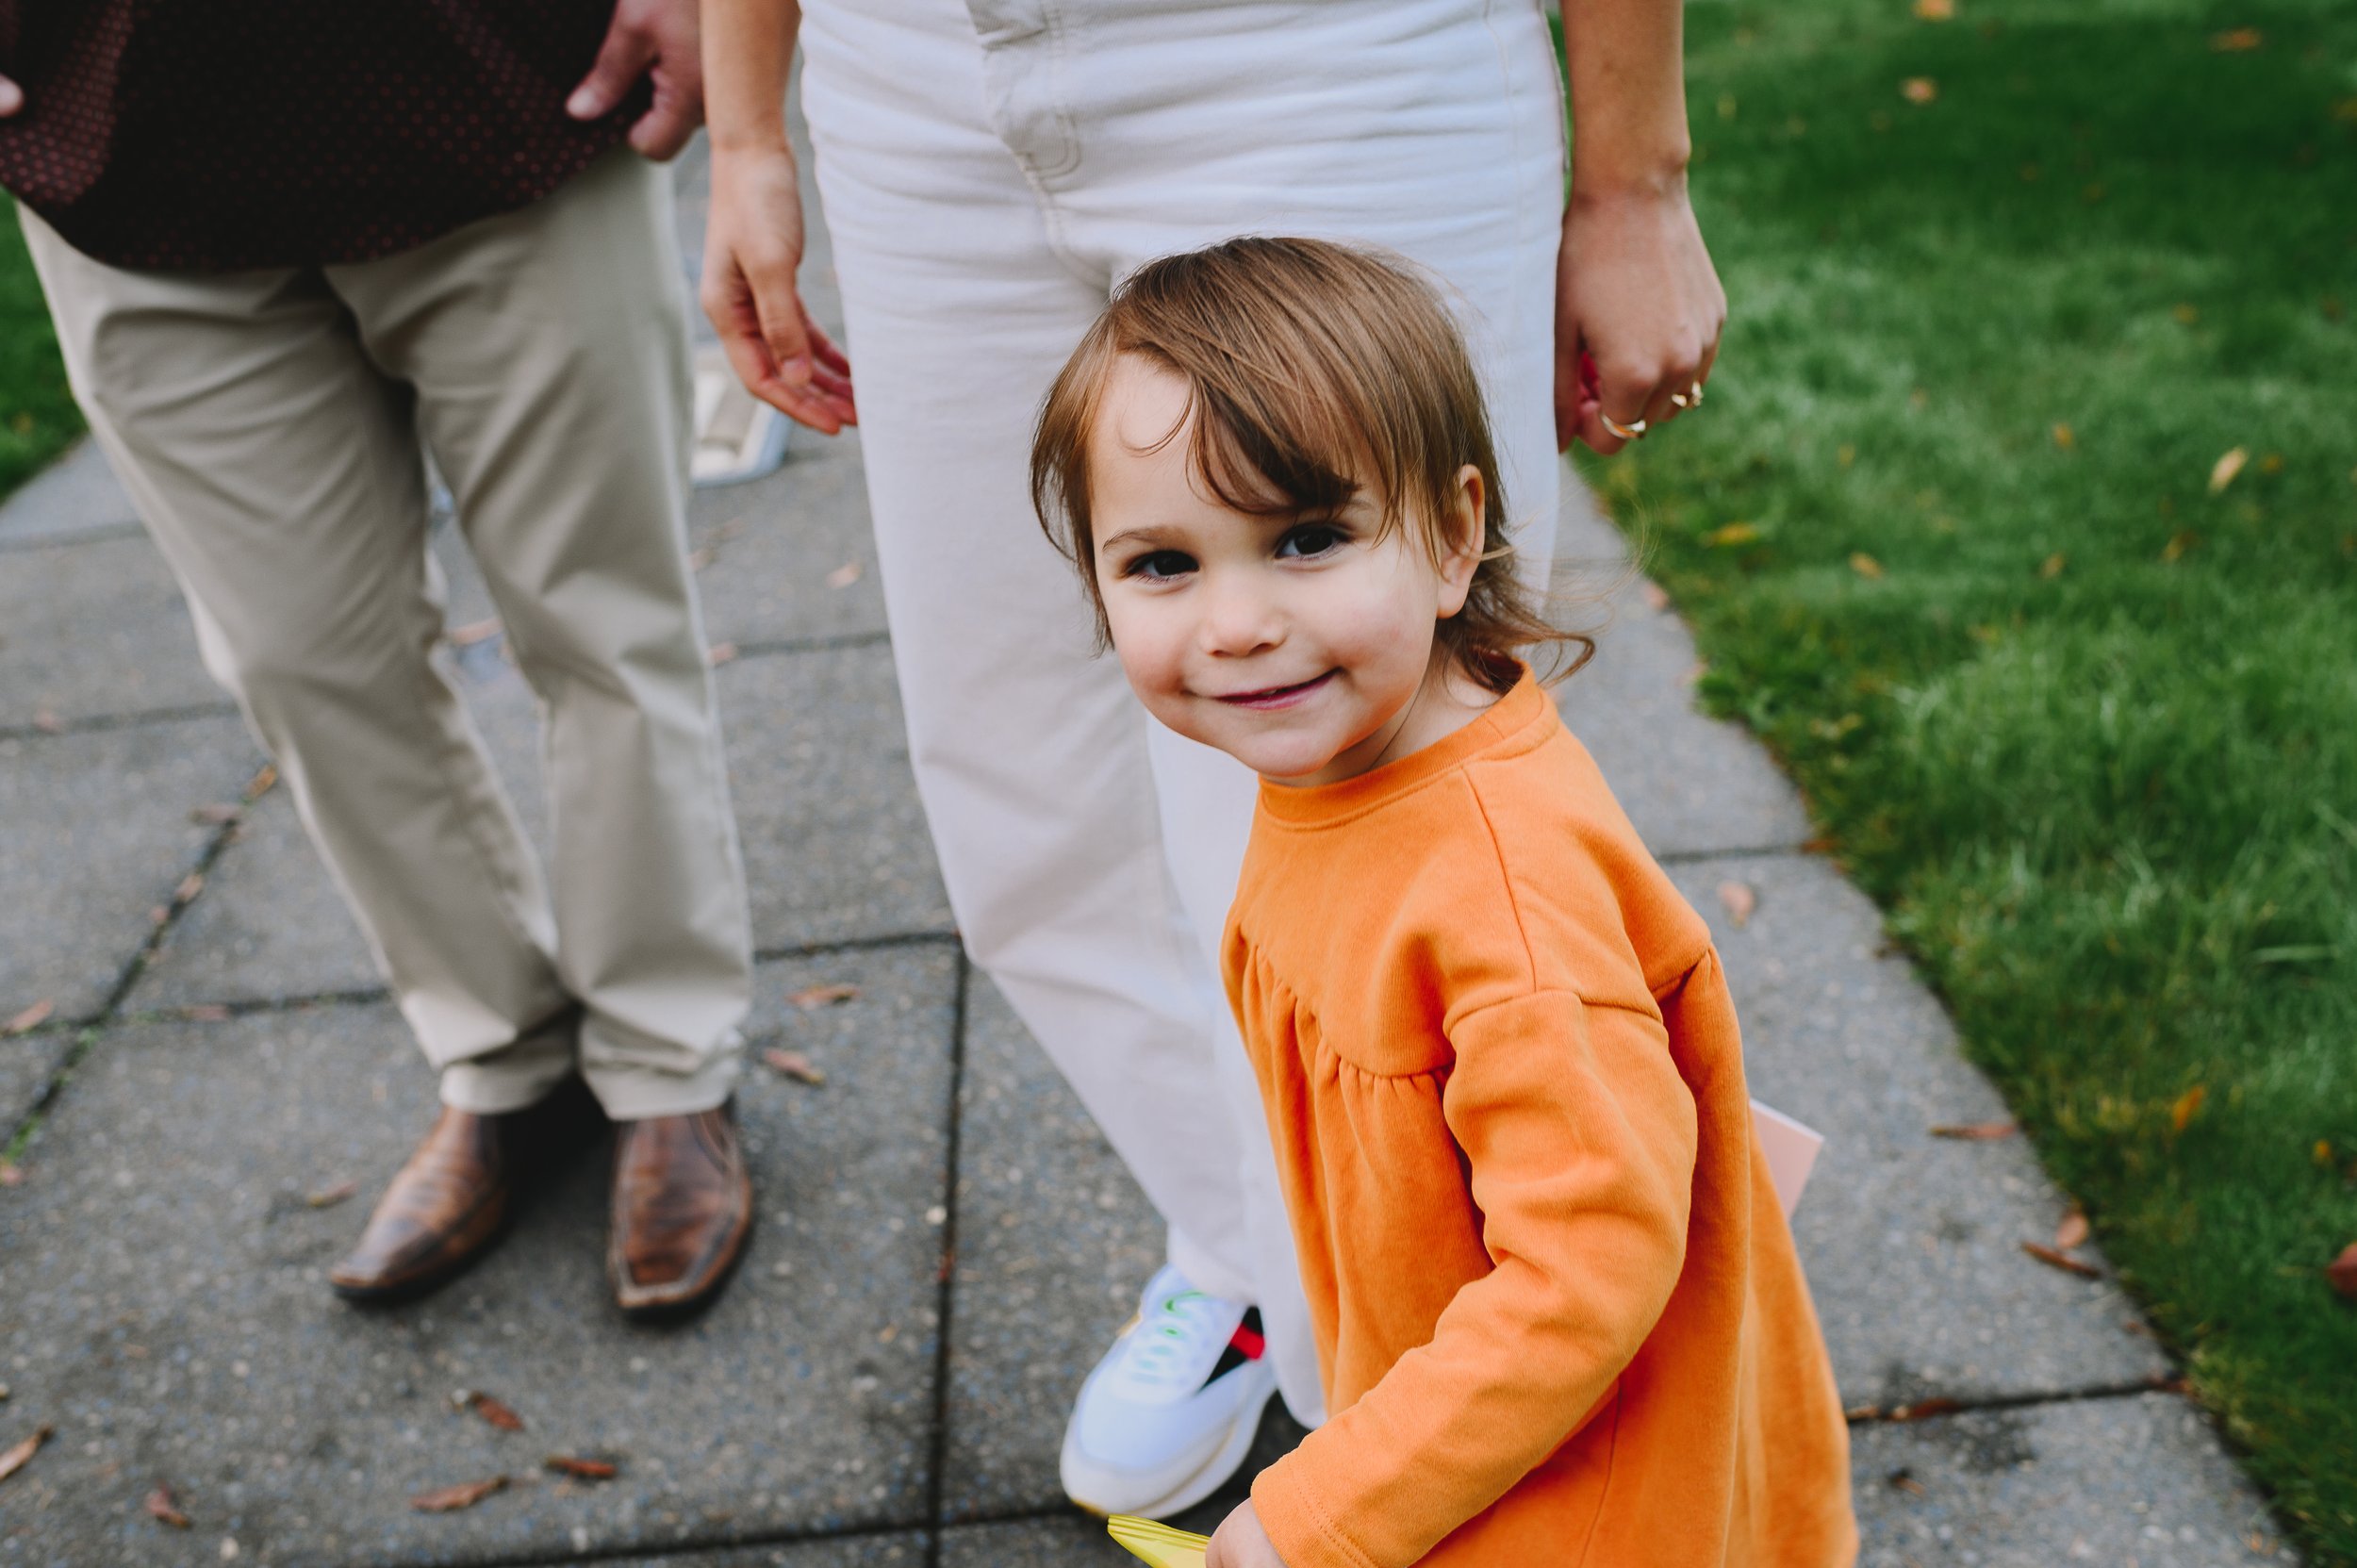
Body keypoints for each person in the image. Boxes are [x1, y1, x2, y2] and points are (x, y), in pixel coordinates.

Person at [701, 0, 1725, 1511]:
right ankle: (1254, 1247)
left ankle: (1435, 1383)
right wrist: (744, 129)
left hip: (1315, 51)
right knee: (1019, 795)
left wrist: (1633, 178)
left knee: (1385, 808)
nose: (1228, 621)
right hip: (909, 72)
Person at [1032, 236, 1854, 1568]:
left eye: (1305, 539)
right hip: (1473, 1421)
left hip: (1579, 1502)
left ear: (1454, 533)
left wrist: (1321, 1515)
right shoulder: (1347, 757)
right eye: (1163, 565)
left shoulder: (1499, 902)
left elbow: (1581, 1273)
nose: (1235, 623)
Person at [0, 0, 758, 1315]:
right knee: (302, 661)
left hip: (500, 86)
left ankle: (667, 1062)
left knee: (602, 624)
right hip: (121, 145)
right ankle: (504, 1062)